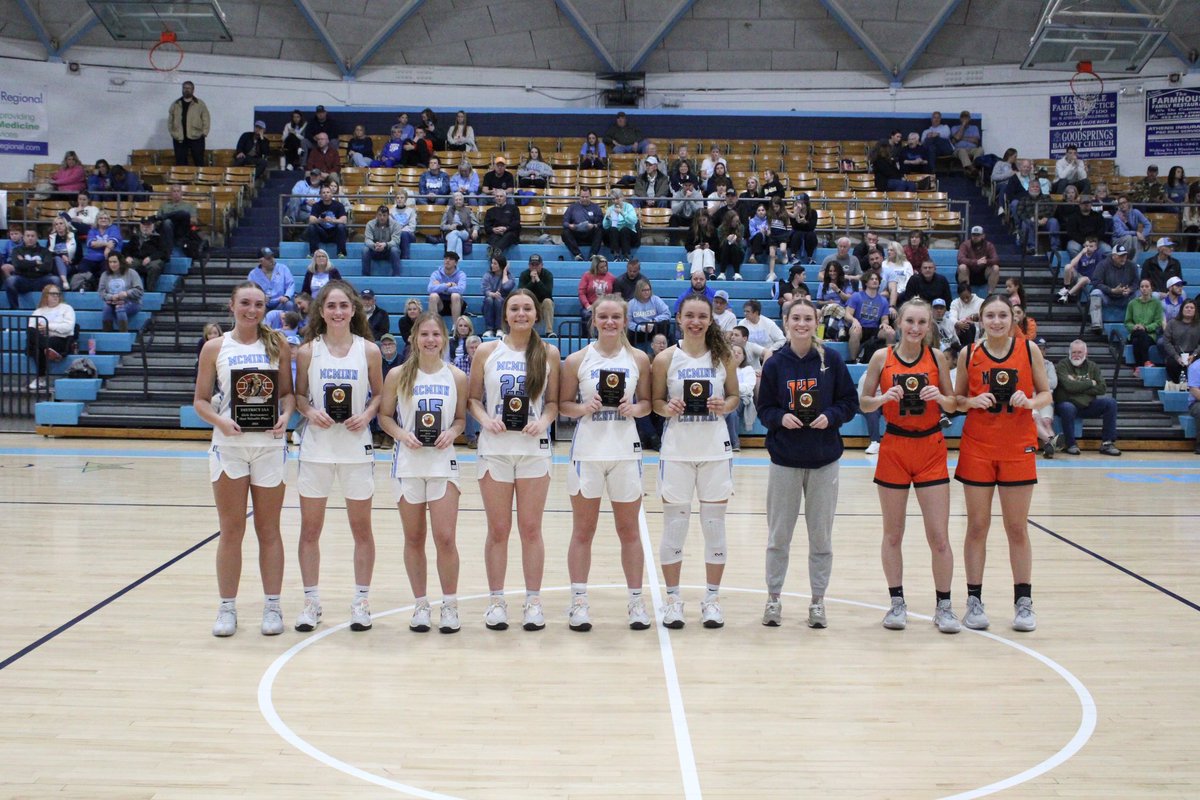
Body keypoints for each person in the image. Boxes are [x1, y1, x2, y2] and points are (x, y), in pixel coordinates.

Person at [194, 282, 294, 637]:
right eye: (246, 303)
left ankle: (272, 606)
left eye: (259, 304)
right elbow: (201, 401)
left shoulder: (277, 344)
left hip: (268, 446)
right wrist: (222, 420)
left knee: (269, 530)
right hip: (230, 447)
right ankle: (227, 608)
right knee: (231, 531)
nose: (252, 310)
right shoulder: (215, 347)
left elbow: (287, 395)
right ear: (231, 305)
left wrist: (286, 416)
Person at [859, 298, 961, 633]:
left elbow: (953, 403)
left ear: (929, 326)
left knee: (939, 537)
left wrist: (939, 397)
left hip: (930, 448)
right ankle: (896, 604)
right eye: (910, 322)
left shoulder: (936, 358)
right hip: (895, 448)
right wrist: (882, 400)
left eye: (922, 323)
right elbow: (864, 402)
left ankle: (944, 606)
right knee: (893, 534)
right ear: (899, 323)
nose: (915, 328)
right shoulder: (881, 357)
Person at [756, 298, 859, 628]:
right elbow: (764, 409)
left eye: (807, 318)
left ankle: (818, 601)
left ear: (816, 322)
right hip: (785, 460)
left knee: (821, 538)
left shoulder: (832, 360)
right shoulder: (775, 364)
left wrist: (830, 416)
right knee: (778, 536)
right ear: (786, 322)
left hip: (824, 460)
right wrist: (779, 417)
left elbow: (849, 403)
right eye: (795, 318)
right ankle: (773, 599)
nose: (801, 323)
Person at [954, 295, 1053, 632]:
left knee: (1016, 527)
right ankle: (974, 600)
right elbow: (957, 401)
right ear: (981, 319)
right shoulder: (970, 354)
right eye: (990, 316)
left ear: (1013, 318)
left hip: (1017, 446)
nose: (996, 321)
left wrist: (1029, 401)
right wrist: (971, 401)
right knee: (977, 526)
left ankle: (1023, 603)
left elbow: (1046, 394)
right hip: (978, 447)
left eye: (1002, 315)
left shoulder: (1028, 350)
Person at [292, 281, 384, 633]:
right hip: (316, 448)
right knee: (310, 530)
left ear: (354, 310)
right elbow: (299, 396)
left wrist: (368, 413)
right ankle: (311, 602)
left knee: (361, 529)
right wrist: (309, 411)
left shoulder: (369, 351)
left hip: (355, 450)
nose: (338, 312)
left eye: (344, 306)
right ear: (321, 310)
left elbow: (379, 395)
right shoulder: (307, 352)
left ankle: (361, 600)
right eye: (331, 306)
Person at [468, 289, 561, 631]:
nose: (521, 313)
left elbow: (553, 403)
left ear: (536, 314)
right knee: (498, 530)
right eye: (514, 308)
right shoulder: (487, 351)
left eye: (527, 308)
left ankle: (533, 601)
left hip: (533, 450)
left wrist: (544, 422)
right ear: (505, 314)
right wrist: (484, 419)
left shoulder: (548, 353)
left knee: (531, 529)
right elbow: (473, 399)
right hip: (495, 449)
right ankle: (496, 601)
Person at [559, 295, 654, 630]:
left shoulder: (639, 359)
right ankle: (579, 602)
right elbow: (563, 406)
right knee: (583, 530)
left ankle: (635, 603)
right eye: (604, 316)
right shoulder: (577, 360)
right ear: (594, 319)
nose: (610, 322)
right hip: (588, 452)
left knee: (629, 531)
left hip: (626, 452)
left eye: (616, 316)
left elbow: (648, 405)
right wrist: (583, 408)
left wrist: (635, 408)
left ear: (625, 320)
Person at [652, 293, 740, 628]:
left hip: (715, 451)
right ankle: (673, 599)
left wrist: (725, 405)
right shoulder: (665, 359)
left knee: (714, 526)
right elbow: (657, 403)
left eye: (702, 316)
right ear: (679, 318)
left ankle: (712, 599)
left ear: (710, 320)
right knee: (675, 526)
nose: (696, 322)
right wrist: (667, 408)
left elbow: (733, 397)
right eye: (690, 315)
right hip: (677, 451)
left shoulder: (723, 358)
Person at [377, 312, 468, 632]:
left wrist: (452, 433)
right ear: (414, 339)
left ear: (444, 339)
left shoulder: (456, 377)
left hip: (442, 463)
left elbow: (460, 419)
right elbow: (384, 417)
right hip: (408, 464)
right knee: (414, 538)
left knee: (445, 538)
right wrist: (401, 434)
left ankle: (450, 605)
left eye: (436, 335)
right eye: (424, 334)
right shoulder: (398, 375)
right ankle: (420, 605)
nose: (431, 340)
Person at [1053, 339, 1121, 456]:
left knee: (1110, 403)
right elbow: (1069, 386)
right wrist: (1090, 383)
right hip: (1067, 404)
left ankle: (1107, 443)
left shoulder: (1092, 366)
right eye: (1074, 352)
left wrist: (1077, 386)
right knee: (1067, 407)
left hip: (1087, 405)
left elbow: (1102, 388)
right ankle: (1070, 444)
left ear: (1086, 353)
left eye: (1079, 352)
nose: (1076, 355)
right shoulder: (1062, 365)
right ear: (1069, 353)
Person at [24, 285, 75, 390]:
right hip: (42, 337)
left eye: (57, 294)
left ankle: (40, 378)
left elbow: (68, 327)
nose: (56, 296)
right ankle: (48, 350)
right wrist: (41, 330)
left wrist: (48, 327)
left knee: (37, 347)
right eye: (52, 294)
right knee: (31, 333)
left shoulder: (66, 308)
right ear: (45, 296)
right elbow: (32, 326)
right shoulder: (39, 311)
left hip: (59, 339)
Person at [3, 228, 61, 308]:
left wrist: (24, 263)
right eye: (28, 236)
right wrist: (37, 263)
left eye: (33, 236)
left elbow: (47, 267)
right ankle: (14, 308)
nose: (30, 238)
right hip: (23, 280)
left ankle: (56, 308)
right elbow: (17, 265)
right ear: (23, 237)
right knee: (10, 281)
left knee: (56, 280)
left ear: (37, 238)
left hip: (41, 280)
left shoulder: (45, 251)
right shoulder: (16, 250)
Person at [846, 271, 894, 363]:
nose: (875, 281)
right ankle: (854, 360)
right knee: (855, 331)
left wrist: (884, 324)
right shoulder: (857, 296)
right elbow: (847, 314)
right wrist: (854, 320)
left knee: (890, 332)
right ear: (866, 282)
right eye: (872, 279)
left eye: (876, 279)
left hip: (874, 328)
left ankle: (891, 360)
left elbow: (885, 319)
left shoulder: (883, 300)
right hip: (860, 326)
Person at [1088, 244, 1136, 334]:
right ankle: (1096, 324)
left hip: (1125, 297)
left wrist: (1130, 289)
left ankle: (1137, 323)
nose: (1123, 258)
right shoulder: (1102, 265)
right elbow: (1096, 282)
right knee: (1095, 293)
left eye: (1125, 255)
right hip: (1108, 296)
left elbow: (1136, 282)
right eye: (1120, 256)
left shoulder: (1131, 266)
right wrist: (1111, 290)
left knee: (1139, 293)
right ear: (1113, 256)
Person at [1125, 279, 1164, 376]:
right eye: (1142, 287)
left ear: (1151, 288)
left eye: (1147, 286)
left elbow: (1158, 322)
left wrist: (1146, 328)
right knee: (1139, 334)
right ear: (1139, 289)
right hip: (1134, 332)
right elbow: (1127, 321)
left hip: (1150, 335)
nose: (1144, 289)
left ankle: (1137, 366)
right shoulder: (1132, 303)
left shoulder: (1157, 304)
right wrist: (1134, 326)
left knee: (1137, 340)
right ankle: (1146, 361)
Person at [167, 81, 210, 166]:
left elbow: (206, 118)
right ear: (182, 89)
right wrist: (173, 133)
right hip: (179, 137)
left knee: (199, 161)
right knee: (180, 162)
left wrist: (204, 133)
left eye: (189, 88)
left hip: (196, 137)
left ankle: (199, 179)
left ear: (193, 90)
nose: (186, 90)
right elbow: (170, 120)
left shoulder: (200, 104)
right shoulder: (175, 104)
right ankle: (182, 179)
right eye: (184, 88)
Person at [98, 253, 143, 333]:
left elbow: (139, 290)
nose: (112, 264)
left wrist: (126, 293)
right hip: (113, 301)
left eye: (115, 262)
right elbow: (101, 292)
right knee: (106, 308)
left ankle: (123, 334)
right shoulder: (105, 275)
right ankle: (107, 334)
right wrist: (111, 297)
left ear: (121, 262)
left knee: (120, 307)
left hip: (132, 302)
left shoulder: (131, 273)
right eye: (110, 262)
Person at [122, 218, 168, 292]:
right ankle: (132, 290)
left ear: (153, 226)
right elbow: (127, 249)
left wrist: (150, 258)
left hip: (153, 259)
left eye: (148, 225)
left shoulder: (159, 236)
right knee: (129, 265)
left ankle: (150, 290)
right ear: (140, 226)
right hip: (137, 259)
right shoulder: (135, 236)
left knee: (154, 266)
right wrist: (128, 257)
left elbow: (163, 252)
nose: (145, 227)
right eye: (144, 225)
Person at [1162, 298, 1200, 386]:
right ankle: (1177, 385)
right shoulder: (1172, 323)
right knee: (1171, 363)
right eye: (1187, 307)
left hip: (1195, 354)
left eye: (1192, 308)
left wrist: (1194, 355)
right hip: (1177, 354)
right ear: (1182, 309)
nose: (1189, 309)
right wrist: (1177, 357)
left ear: (1195, 311)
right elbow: (1167, 342)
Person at [304, 184, 348, 258]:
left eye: (328, 192)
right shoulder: (316, 206)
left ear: (331, 194)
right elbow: (311, 220)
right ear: (320, 195)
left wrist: (332, 220)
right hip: (322, 233)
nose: (326, 194)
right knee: (312, 227)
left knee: (341, 226)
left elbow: (344, 220)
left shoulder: (339, 205)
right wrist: (320, 220)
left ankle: (341, 253)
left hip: (334, 233)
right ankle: (314, 253)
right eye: (323, 193)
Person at [80, 212, 123, 288]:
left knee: (106, 268)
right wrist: (106, 244)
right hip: (91, 258)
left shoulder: (113, 228)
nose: (103, 220)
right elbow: (92, 243)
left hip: (106, 258)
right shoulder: (92, 230)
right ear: (97, 220)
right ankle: (92, 282)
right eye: (101, 218)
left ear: (109, 220)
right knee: (82, 268)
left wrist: (106, 250)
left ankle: (99, 286)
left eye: (106, 218)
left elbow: (112, 242)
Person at [517, 253, 555, 337]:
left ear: (542, 265)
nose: (534, 267)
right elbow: (521, 292)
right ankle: (525, 331)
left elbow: (548, 294)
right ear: (529, 265)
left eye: (537, 265)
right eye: (532, 265)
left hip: (542, 303)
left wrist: (538, 280)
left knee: (548, 301)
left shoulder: (548, 275)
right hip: (529, 303)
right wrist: (532, 282)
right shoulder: (524, 275)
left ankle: (549, 331)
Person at [1059, 235, 1104, 304]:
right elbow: (1072, 264)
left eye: (1091, 246)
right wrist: (1081, 253)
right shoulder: (1082, 253)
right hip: (1078, 275)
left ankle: (1067, 295)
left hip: (1089, 278)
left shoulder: (1098, 254)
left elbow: (1100, 269)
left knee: (1084, 279)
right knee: (1068, 266)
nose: (1088, 248)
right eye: (1086, 246)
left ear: (1095, 247)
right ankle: (1066, 288)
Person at [562, 185, 603, 261]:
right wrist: (571, 226)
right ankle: (578, 254)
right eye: (582, 197)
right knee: (565, 232)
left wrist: (593, 225)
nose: (584, 199)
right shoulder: (572, 207)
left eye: (586, 197)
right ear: (579, 196)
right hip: (577, 234)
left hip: (590, 235)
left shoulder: (596, 208)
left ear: (591, 196)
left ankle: (593, 255)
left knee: (599, 230)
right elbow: (564, 222)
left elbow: (600, 223)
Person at [248, 248, 295, 312]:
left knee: (289, 305)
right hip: (263, 304)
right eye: (268, 258)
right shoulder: (253, 274)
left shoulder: (283, 268)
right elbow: (251, 290)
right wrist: (260, 297)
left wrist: (287, 296)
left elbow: (290, 284)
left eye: (272, 257)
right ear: (261, 261)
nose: (272, 260)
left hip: (280, 302)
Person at [956, 225, 1000, 294]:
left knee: (995, 268)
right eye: (973, 235)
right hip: (969, 272)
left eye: (978, 235)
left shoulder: (989, 245)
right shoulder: (965, 245)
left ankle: (990, 294)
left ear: (983, 236)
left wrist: (986, 261)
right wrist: (976, 262)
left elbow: (996, 260)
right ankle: (965, 293)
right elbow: (960, 259)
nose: (975, 237)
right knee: (962, 267)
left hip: (982, 273)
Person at [628, 278, 672, 345]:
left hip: (654, 328)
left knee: (665, 323)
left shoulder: (655, 300)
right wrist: (640, 328)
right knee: (628, 332)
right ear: (638, 291)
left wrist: (654, 320)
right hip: (639, 331)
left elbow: (667, 314)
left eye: (648, 290)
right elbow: (628, 322)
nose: (647, 292)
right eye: (643, 290)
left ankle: (661, 350)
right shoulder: (631, 303)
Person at [362, 205, 403, 277]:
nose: (382, 217)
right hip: (375, 249)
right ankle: (365, 276)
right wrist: (374, 245)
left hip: (388, 250)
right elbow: (367, 239)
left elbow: (396, 240)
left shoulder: (396, 225)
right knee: (365, 250)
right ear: (376, 215)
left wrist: (385, 245)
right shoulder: (370, 224)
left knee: (395, 250)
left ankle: (396, 276)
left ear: (388, 216)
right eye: (380, 215)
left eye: (384, 215)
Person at [481, 253, 514, 338]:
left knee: (499, 300)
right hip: (489, 303)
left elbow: (506, 287)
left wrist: (505, 273)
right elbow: (484, 289)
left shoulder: (509, 277)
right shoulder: (487, 275)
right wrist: (491, 294)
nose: (492, 265)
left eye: (495, 263)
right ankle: (489, 329)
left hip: (503, 303)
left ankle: (500, 328)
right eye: (492, 263)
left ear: (501, 265)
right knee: (489, 299)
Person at [578, 254, 616, 328]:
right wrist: (587, 305)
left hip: (606, 305)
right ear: (595, 267)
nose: (605, 268)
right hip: (590, 306)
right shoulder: (587, 276)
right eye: (601, 267)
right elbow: (581, 293)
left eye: (606, 266)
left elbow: (614, 294)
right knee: (588, 315)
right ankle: (587, 338)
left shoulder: (611, 277)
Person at [428, 251, 467, 320]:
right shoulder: (436, 274)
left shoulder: (461, 274)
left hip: (455, 303)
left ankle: (456, 326)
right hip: (440, 304)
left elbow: (461, 290)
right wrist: (448, 285)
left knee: (455, 295)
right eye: (446, 258)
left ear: (456, 263)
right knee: (433, 296)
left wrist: (441, 287)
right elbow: (430, 289)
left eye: (451, 259)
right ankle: (434, 324)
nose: (447, 260)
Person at [1113, 194, 1153, 261]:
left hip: (1132, 238)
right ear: (1118, 206)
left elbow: (1148, 224)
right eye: (1120, 204)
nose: (1122, 205)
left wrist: (1142, 235)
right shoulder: (1116, 217)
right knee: (1129, 237)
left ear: (1128, 203)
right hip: (1118, 239)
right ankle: (1124, 260)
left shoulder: (1136, 212)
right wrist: (1136, 233)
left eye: (1124, 202)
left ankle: (1133, 263)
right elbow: (1120, 233)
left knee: (1135, 238)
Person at [484, 188, 521, 256]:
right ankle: (496, 252)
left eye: (501, 196)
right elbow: (487, 226)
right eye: (497, 196)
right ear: (494, 198)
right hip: (495, 233)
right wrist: (493, 229)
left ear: (505, 197)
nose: (499, 198)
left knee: (508, 235)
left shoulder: (514, 208)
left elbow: (516, 223)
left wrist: (506, 228)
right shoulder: (490, 211)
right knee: (494, 237)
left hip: (510, 232)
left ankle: (495, 250)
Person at [603, 191, 639, 261]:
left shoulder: (629, 207)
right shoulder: (610, 209)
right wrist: (607, 218)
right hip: (615, 236)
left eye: (617, 198)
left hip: (629, 234)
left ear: (622, 198)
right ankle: (616, 255)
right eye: (613, 199)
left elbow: (634, 221)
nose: (615, 201)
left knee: (624, 229)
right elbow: (605, 226)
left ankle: (626, 256)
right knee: (613, 229)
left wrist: (623, 213)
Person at [950, 110, 983, 177]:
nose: (965, 119)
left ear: (969, 119)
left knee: (980, 149)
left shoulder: (974, 128)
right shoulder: (955, 128)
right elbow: (956, 138)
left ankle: (972, 168)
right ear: (960, 119)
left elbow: (976, 141)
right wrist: (963, 126)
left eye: (966, 117)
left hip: (972, 149)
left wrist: (962, 138)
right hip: (958, 150)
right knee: (962, 150)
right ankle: (972, 169)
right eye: (963, 118)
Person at [881, 241, 915, 307]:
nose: (888, 252)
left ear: (897, 251)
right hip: (887, 292)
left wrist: (899, 292)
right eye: (888, 250)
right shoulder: (884, 264)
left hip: (903, 293)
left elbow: (909, 281)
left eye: (891, 250)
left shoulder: (907, 265)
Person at [389, 188, 418, 261]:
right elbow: (390, 226)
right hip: (395, 235)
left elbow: (412, 227)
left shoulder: (411, 211)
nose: (399, 199)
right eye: (397, 198)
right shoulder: (391, 211)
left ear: (405, 199)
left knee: (404, 234)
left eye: (402, 198)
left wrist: (401, 230)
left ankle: (405, 258)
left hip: (409, 235)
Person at [46, 218, 76, 284]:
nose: (59, 226)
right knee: (57, 258)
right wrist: (61, 256)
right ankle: (65, 281)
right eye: (56, 224)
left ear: (65, 225)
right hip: (55, 265)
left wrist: (70, 261)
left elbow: (79, 254)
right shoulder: (51, 237)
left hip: (69, 264)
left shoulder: (73, 236)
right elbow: (48, 253)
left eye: (61, 223)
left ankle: (64, 281)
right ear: (54, 227)